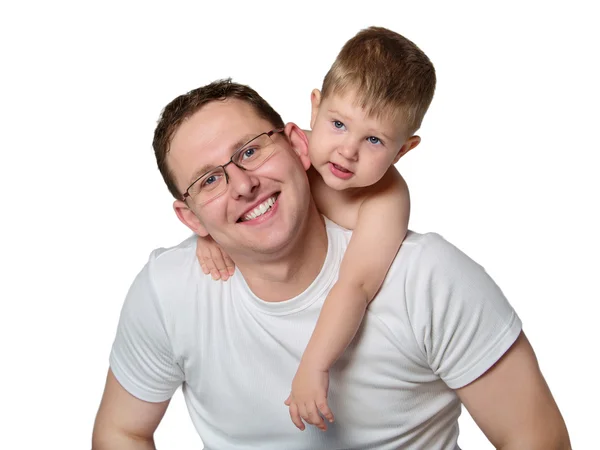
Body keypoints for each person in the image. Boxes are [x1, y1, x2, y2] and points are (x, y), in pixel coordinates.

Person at [92, 84, 571, 450]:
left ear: (299, 146)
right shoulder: (167, 292)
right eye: (210, 179)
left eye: (250, 151)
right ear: (191, 216)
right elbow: (121, 430)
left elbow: (535, 437)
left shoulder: (425, 277)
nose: (242, 185)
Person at [195, 27, 428, 431]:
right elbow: (228, 187)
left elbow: (355, 286)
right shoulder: (288, 149)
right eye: (338, 124)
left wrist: (314, 367)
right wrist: (207, 236)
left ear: (403, 150)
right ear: (315, 109)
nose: (347, 150)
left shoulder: (385, 201)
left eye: (374, 139)